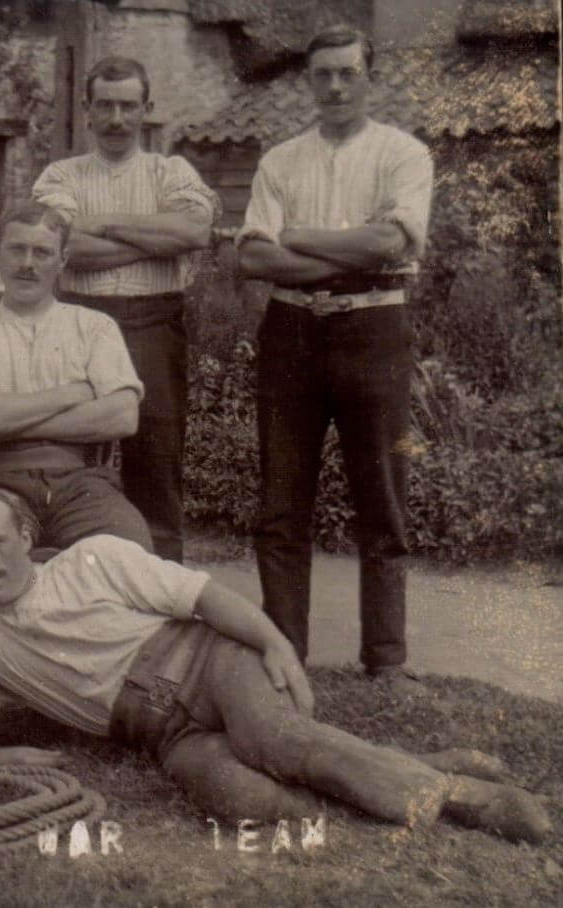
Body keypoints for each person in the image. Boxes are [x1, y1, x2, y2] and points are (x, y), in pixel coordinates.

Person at [0, 485, 551, 844]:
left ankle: (464, 797)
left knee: (277, 741)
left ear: (24, 534)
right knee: (246, 799)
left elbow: (205, 598)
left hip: (212, 662)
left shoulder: (92, 559)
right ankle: (420, 773)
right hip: (166, 733)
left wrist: (276, 645)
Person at [236, 25, 434, 690]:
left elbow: (389, 244)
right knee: (280, 501)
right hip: (290, 333)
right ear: (307, 81)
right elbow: (252, 256)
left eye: (347, 72)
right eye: (323, 74)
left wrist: (301, 238)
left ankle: (385, 659)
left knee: (380, 496)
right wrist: (347, 246)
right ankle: (285, 653)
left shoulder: (402, 155)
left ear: (368, 76)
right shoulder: (279, 161)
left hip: (373, 328)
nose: (335, 86)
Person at [32, 55, 217, 563]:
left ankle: (160, 608)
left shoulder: (171, 171)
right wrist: (154, 239)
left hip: (153, 323)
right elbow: (61, 247)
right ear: (87, 111)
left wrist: (102, 223)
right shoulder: (59, 175)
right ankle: (74, 594)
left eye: (128, 106)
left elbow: (195, 233)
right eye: (105, 106)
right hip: (76, 320)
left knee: (156, 464)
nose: (117, 119)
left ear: (146, 110)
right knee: (68, 460)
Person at [0, 201, 153, 603]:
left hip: (82, 481)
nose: (28, 264)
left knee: (130, 551)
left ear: (62, 261)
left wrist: (6, 416)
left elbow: (123, 417)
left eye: (42, 253)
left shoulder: (94, 328)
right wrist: (72, 394)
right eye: (17, 250)